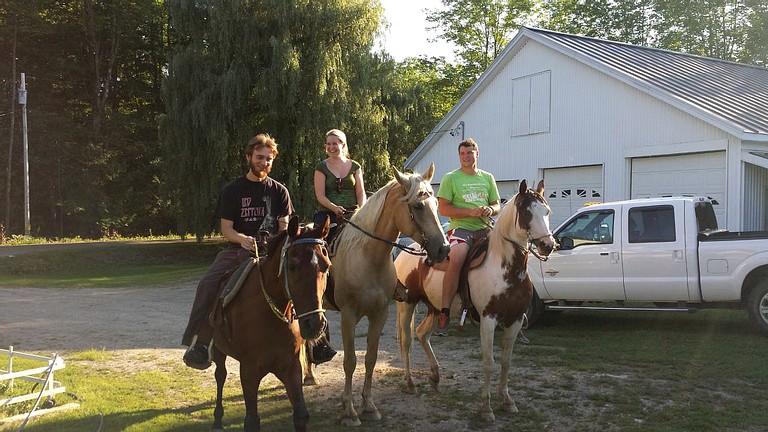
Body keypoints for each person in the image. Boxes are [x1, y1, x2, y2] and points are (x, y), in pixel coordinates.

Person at [181, 133, 334, 369]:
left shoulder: (279, 191)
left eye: (269, 159)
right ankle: (200, 342)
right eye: (260, 158)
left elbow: (285, 227)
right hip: (238, 250)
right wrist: (242, 239)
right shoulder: (232, 190)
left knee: (309, 278)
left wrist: (274, 243)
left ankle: (318, 341)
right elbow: (226, 228)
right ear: (249, 157)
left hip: (273, 252)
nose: (264, 163)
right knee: (208, 284)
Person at [435, 138, 501, 337]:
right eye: (463, 153)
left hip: (485, 228)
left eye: (470, 153)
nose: (466, 157)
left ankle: (508, 307)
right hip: (460, 228)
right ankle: (445, 312)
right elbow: (443, 208)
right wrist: (469, 212)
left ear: (477, 154)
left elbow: (497, 206)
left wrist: (490, 209)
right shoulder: (451, 178)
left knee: (506, 255)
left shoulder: (488, 178)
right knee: (458, 256)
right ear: (459, 156)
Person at [313, 129, 367, 229]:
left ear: (343, 145)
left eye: (334, 143)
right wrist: (334, 208)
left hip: (352, 214)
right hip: (328, 214)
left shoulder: (355, 166)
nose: (331, 147)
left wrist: (362, 210)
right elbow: (320, 195)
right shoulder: (321, 167)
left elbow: (360, 192)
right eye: (328, 144)